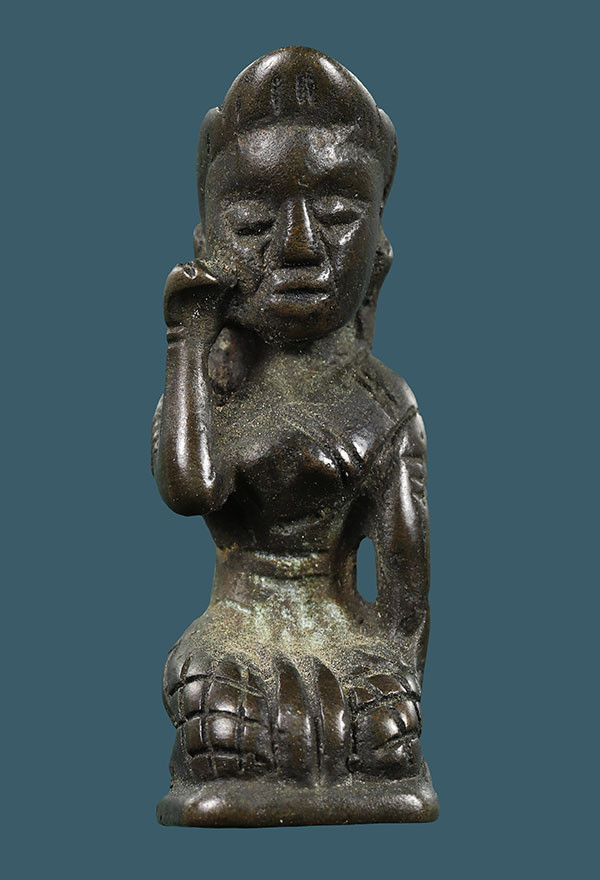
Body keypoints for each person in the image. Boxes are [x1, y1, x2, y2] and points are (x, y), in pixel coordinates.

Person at [152, 47, 437, 825]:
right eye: (253, 222)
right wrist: (186, 342)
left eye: (340, 214)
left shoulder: (386, 405)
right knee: (217, 723)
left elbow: (406, 589)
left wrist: (397, 673)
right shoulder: (218, 383)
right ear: (209, 243)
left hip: (344, 628)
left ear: (379, 247)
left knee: (384, 735)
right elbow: (189, 489)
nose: (301, 245)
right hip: (236, 619)